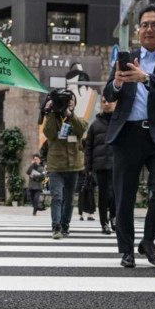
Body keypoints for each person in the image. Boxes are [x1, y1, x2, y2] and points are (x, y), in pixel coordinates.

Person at [103, 3, 155, 268]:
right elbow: (108, 94)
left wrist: (145, 77)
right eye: (145, 25)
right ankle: (126, 249)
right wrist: (117, 81)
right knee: (124, 195)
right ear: (139, 30)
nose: (149, 29)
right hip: (127, 134)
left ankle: (148, 241)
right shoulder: (126, 57)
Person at [43, 94, 88, 239]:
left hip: (74, 166)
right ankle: (56, 227)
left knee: (69, 199)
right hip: (56, 166)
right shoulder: (53, 119)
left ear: (74, 104)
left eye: (71, 101)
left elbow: (81, 130)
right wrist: (49, 112)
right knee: (57, 196)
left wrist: (70, 115)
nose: (68, 104)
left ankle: (65, 225)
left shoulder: (78, 120)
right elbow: (49, 133)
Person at [84, 96, 117, 234]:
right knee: (103, 195)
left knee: (116, 194)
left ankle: (114, 218)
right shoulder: (95, 124)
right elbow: (88, 147)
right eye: (104, 101)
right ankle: (104, 223)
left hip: (117, 164)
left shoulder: (121, 121)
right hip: (101, 165)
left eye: (110, 101)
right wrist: (88, 167)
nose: (107, 104)